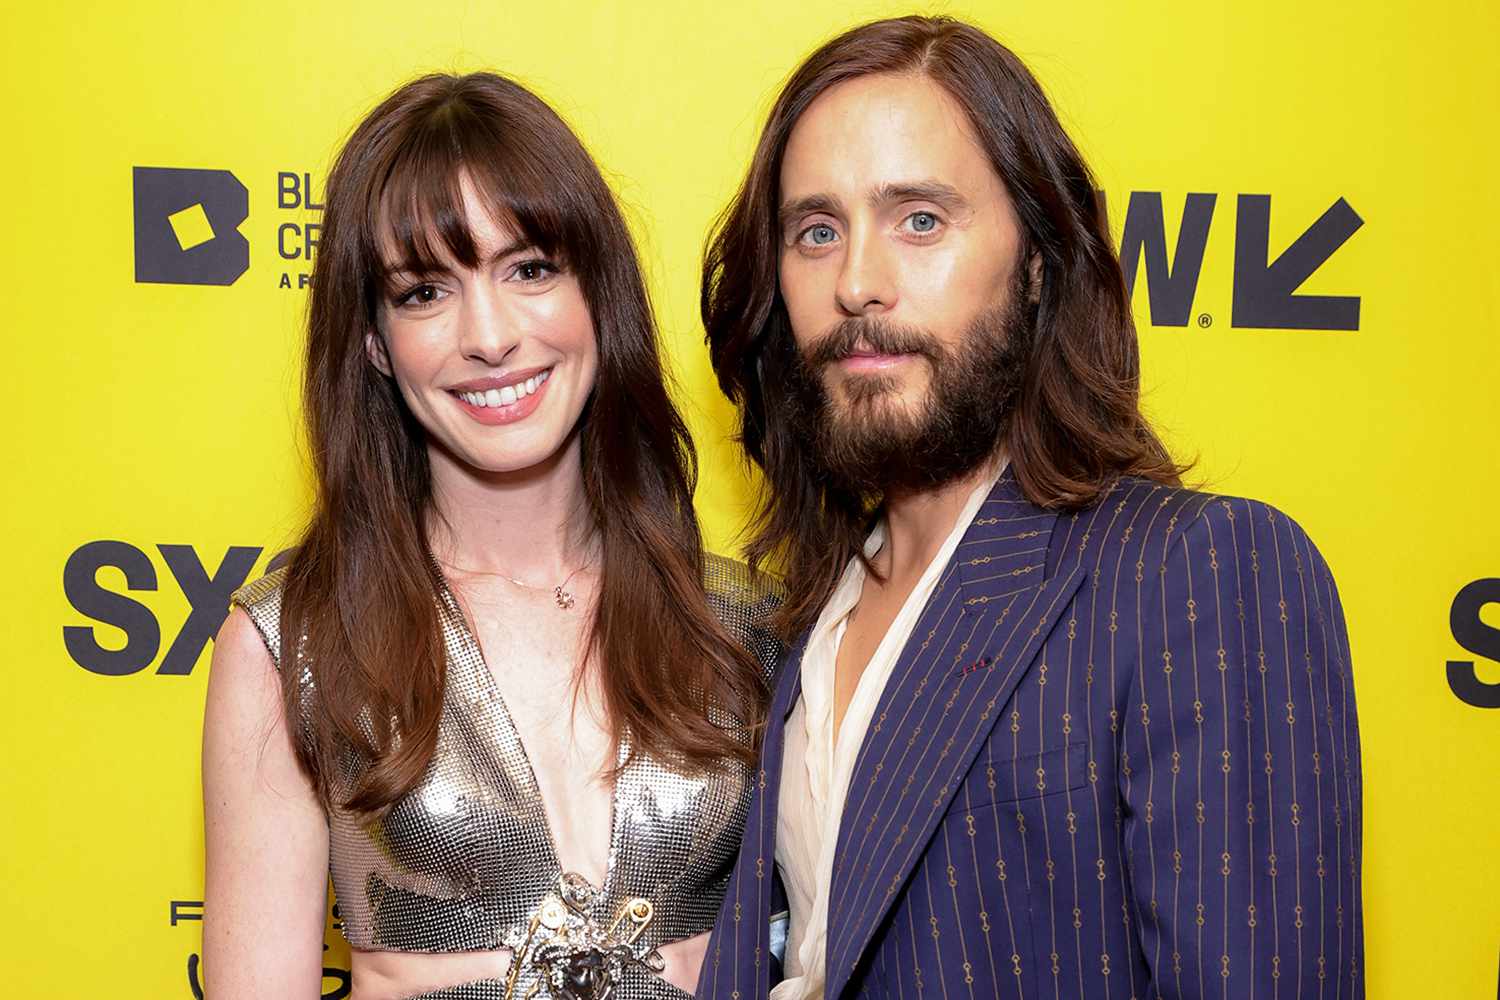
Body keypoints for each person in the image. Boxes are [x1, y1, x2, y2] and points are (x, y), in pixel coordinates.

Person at [696, 15, 1363, 1000]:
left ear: (1041, 260)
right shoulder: (801, 624)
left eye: (919, 218)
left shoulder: (1196, 575)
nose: (857, 282)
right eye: (817, 230)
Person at [202, 72, 781, 1000]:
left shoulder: (745, 625)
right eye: (426, 290)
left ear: (598, 292)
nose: (490, 335)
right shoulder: (294, 644)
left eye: (530, 270)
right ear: (374, 342)